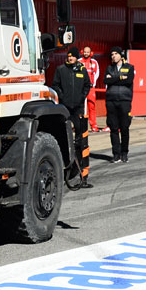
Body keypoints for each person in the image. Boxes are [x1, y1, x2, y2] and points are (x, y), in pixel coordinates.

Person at [51, 47, 93, 188]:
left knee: (81, 138)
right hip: (65, 107)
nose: (70, 58)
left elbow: (88, 85)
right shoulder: (61, 69)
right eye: (69, 56)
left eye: (73, 57)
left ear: (76, 58)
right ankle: (64, 167)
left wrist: (82, 96)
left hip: (78, 108)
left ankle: (82, 173)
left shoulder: (82, 70)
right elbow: (55, 85)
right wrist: (62, 97)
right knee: (64, 135)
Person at [104, 46, 135, 163]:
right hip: (111, 101)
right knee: (113, 128)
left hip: (124, 100)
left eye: (116, 54)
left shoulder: (130, 68)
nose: (113, 56)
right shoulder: (109, 68)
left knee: (125, 128)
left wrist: (114, 78)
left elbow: (128, 81)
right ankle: (116, 154)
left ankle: (124, 152)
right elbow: (106, 81)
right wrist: (120, 78)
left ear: (121, 55)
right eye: (112, 54)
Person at [79, 46, 100, 132]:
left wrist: (93, 83)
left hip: (91, 88)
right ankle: (79, 125)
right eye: (85, 52)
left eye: (88, 52)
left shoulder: (94, 62)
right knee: (80, 106)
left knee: (92, 106)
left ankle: (93, 125)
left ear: (91, 53)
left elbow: (97, 73)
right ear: (82, 52)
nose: (86, 53)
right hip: (81, 88)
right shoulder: (79, 61)